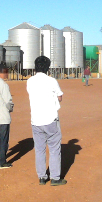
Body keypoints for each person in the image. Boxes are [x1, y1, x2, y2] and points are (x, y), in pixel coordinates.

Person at [27, 56, 66, 186]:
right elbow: (60, 97)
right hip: (50, 120)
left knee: (39, 150)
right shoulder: (52, 81)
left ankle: (42, 177)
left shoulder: (30, 81)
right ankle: (55, 178)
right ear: (48, 67)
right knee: (54, 149)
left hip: (36, 121)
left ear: (35, 66)